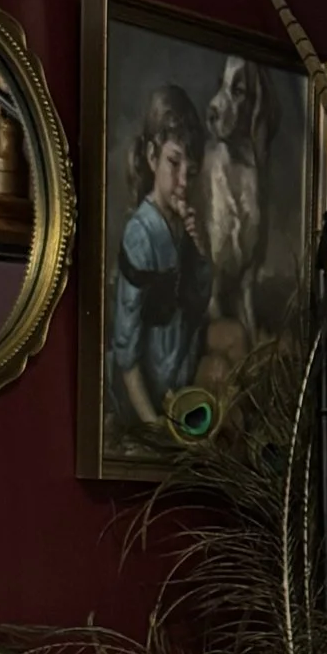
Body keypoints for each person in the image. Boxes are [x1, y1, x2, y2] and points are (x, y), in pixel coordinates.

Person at [108, 82, 211, 439]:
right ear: (152, 156)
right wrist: (153, 424)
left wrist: (201, 256)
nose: (183, 181)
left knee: (237, 348)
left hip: (181, 361)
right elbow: (125, 347)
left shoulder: (182, 223)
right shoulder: (141, 233)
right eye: (174, 162)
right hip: (150, 386)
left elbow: (198, 305)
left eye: (191, 170)